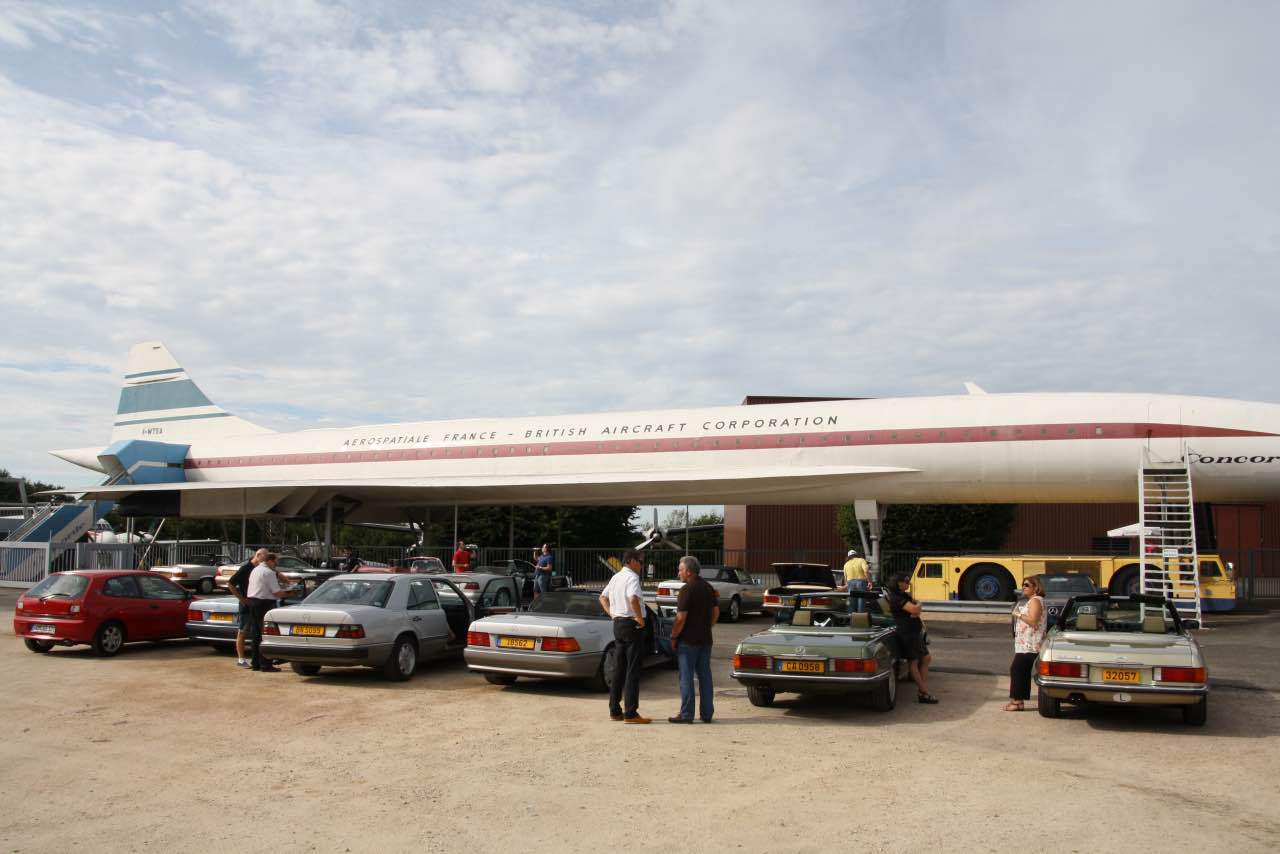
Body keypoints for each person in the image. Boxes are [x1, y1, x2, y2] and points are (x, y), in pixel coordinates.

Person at [598, 549, 650, 724]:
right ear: (632, 561)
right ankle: (631, 713)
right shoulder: (632, 578)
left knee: (619, 668)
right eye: (640, 562)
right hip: (631, 625)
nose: (642, 566)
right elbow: (633, 598)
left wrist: (613, 614)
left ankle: (615, 710)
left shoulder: (616, 577)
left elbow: (602, 597)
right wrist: (639, 619)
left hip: (618, 624)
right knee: (632, 669)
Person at [668, 556, 719, 724]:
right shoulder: (708, 587)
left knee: (686, 677)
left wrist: (674, 636)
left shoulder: (687, 590)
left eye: (680, 570)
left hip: (688, 641)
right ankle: (707, 714)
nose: (678, 573)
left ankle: (687, 714)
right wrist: (707, 626)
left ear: (688, 571)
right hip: (705, 639)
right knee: (705, 676)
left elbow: (681, 618)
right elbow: (716, 612)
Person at [887, 572, 938, 703]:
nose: (908, 583)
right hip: (907, 633)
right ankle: (924, 692)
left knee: (925, 658)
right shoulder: (896, 598)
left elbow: (915, 611)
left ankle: (923, 691)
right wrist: (918, 606)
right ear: (898, 583)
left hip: (913, 632)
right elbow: (915, 610)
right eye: (905, 581)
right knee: (914, 661)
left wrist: (916, 608)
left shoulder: (903, 595)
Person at [245, 553, 293, 672]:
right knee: (265, 634)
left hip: (253, 602)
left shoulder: (255, 570)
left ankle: (255, 663)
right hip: (264, 604)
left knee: (256, 634)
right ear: (270, 561)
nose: (276, 565)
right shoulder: (269, 572)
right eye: (276, 562)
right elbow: (277, 593)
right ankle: (265, 664)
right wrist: (291, 593)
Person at [1006, 576, 1047, 711]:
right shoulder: (1033, 600)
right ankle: (1019, 702)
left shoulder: (1036, 600)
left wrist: (1018, 614)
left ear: (1035, 588)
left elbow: (1034, 621)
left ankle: (1017, 702)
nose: (1023, 587)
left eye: (1027, 585)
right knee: (1021, 670)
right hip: (1026, 644)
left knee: (1017, 669)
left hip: (1031, 644)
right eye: (1023, 584)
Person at [226, 548, 267, 668]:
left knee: (259, 631)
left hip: (258, 605)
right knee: (243, 631)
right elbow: (231, 583)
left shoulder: (260, 569)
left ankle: (261, 659)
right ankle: (241, 659)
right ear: (258, 555)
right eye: (264, 557)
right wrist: (241, 599)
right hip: (247, 605)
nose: (265, 560)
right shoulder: (245, 568)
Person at [843, 548, 870, 613]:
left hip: (850, 583)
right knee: (861, 600)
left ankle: (851, 616)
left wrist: (846, 585)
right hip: (861, 582)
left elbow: (845, 577)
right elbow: (866, 571)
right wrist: (869, 582)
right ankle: (860, 616)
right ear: (856, 555)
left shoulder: (846, 564)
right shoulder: (861, 560)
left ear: (848, 556)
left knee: (851, 602)